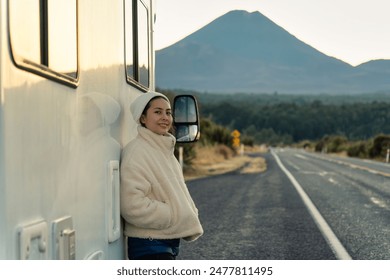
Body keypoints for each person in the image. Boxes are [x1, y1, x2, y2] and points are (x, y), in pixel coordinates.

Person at [120, 91, 203, 260]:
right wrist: (173, 214)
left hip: (164, 242)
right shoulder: (137, 152)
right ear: (143, 118)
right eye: (157, 112)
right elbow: (131, 205)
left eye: (168, 112)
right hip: (149, 245)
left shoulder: (163, 149)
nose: (165, 117)